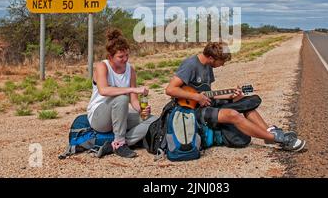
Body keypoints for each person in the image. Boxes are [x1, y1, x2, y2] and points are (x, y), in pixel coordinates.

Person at [165, 42, 306, 152]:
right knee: (233, 114)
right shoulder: (191, 65)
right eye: (221, 61)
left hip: (204, 104)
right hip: (189, 111)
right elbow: (170, 89)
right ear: (211, 58)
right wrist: (196, 97)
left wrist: (231, 95)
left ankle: (269, 132)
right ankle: (278, 139)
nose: (223, 64)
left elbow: (207, 93)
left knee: (246, 104)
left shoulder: (208, 66)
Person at [87, 29, 158, 158]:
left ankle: (117, 144)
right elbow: (104, 90)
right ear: (110, 57)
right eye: (121, 57)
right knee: (121, 98)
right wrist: (131, 89)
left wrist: (141, 110)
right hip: (99, 117)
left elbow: (134, 100)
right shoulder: (102, 66)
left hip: (120, 114)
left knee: (154, 120)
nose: (125, 59)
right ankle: (120, 144)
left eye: (127, 55)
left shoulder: (130, 70)